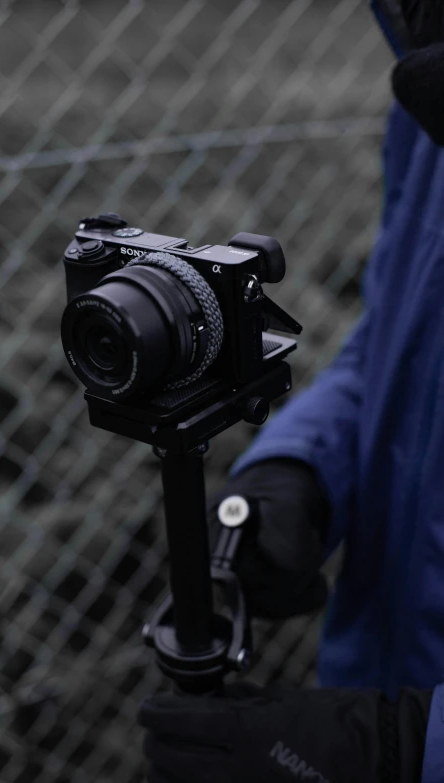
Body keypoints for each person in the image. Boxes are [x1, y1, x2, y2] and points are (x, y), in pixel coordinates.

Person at [138, 2, 444, 781]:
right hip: (379, 658)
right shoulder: (426, 100)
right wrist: (299, 469)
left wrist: (407, 748)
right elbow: (398, 343)